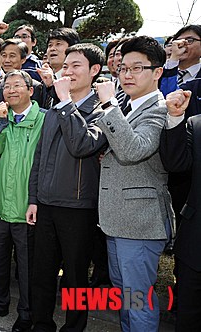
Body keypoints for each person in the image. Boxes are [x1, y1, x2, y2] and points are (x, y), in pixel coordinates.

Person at [26, 43, 107, 332]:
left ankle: (74, 327)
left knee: (75, 277)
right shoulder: (54, 109)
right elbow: (40, 156)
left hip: (78, 208)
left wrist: (64, 103)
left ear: (94, 70)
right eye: (66, 65)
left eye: (76, 66)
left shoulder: (102, 111)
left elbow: (82, 144)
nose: (68, 71)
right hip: (45, 204)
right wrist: (34, 198)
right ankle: (41, 324)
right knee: (42, 273)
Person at [94, 36, 174, 332]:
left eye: (136, 68)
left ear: (157, 72)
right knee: (124, 295)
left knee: (138, 298)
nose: (126, 74)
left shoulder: (160, 109)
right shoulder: (126, 106)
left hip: (140, 224)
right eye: (123, 68)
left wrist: (109, 105)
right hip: (116, 219)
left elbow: (133, 150)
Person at [0, 70, 45, 332]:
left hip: (28, 207)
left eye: (18, 85)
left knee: (28, 267)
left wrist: (36, 199)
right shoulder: (1, 120)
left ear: (31, 90)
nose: (11, 90)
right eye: (7, 86)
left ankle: (27, 313)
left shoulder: (44, 120)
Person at [160, 89, 201, 331]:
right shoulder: (195, 126)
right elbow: (175, 163)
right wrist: (174, 117)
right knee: (188, 317)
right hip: (195, 246)